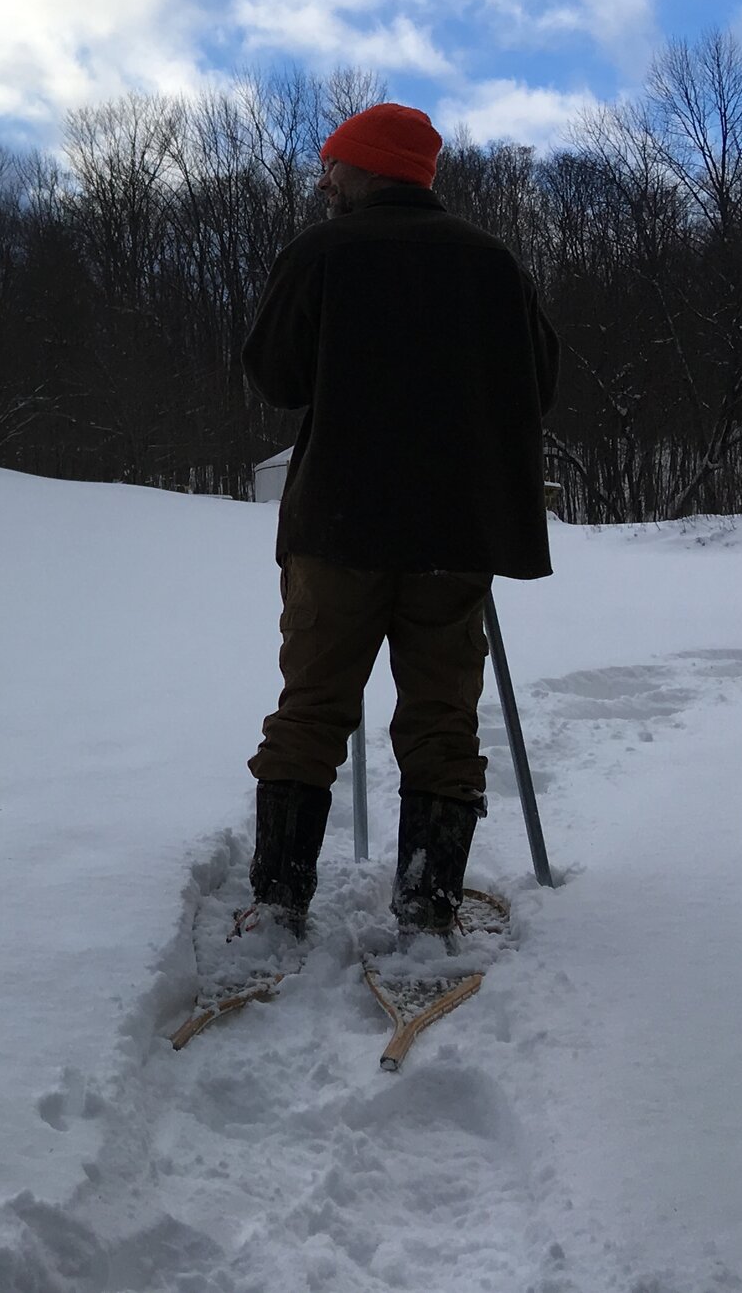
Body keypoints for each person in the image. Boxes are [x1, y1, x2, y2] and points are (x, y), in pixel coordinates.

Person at [240, 102, 560, 937]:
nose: (323, 179)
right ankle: (427, 904)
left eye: (333, 165)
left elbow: (275, 375)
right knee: (443, 714)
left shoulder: (322, 252)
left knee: (312, 705)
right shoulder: (494, 264)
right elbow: (540, 386)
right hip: (455, 531)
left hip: (339, 525)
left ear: (367, 168)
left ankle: (278, 900)